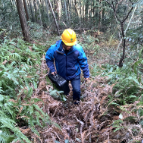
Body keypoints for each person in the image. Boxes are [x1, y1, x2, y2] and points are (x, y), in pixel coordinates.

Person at [45, 29, 90, 104]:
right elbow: (48, 58)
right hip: (62, 74)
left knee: (77, 90)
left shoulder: (77, 49)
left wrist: (86, 74)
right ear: (63, 41)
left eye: (71, 44)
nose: (70, 46)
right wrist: (52, 69)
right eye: (68, 45)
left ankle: (76, 103)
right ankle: (65, 102)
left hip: (75, 74)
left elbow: (83, 61)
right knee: (64, 91)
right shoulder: (54, 49)